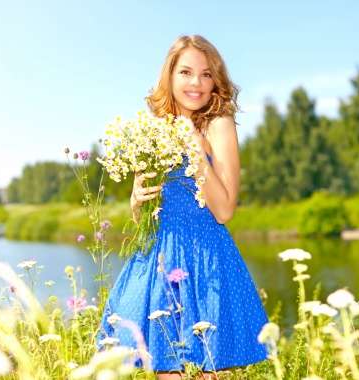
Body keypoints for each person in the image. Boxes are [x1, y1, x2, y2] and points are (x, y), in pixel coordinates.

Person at [96, 35, 269, 380]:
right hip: (158, 256)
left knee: (207, 369)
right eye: (186, 72)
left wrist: (193, 142)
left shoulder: (216, 124)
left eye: (206, 75)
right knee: (165, 369)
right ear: (169, 75)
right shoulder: (152, 130)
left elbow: (224, 211)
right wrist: (136, 199)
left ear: (215, 79)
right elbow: (145, 216)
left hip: (204, 255)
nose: (196, 83)